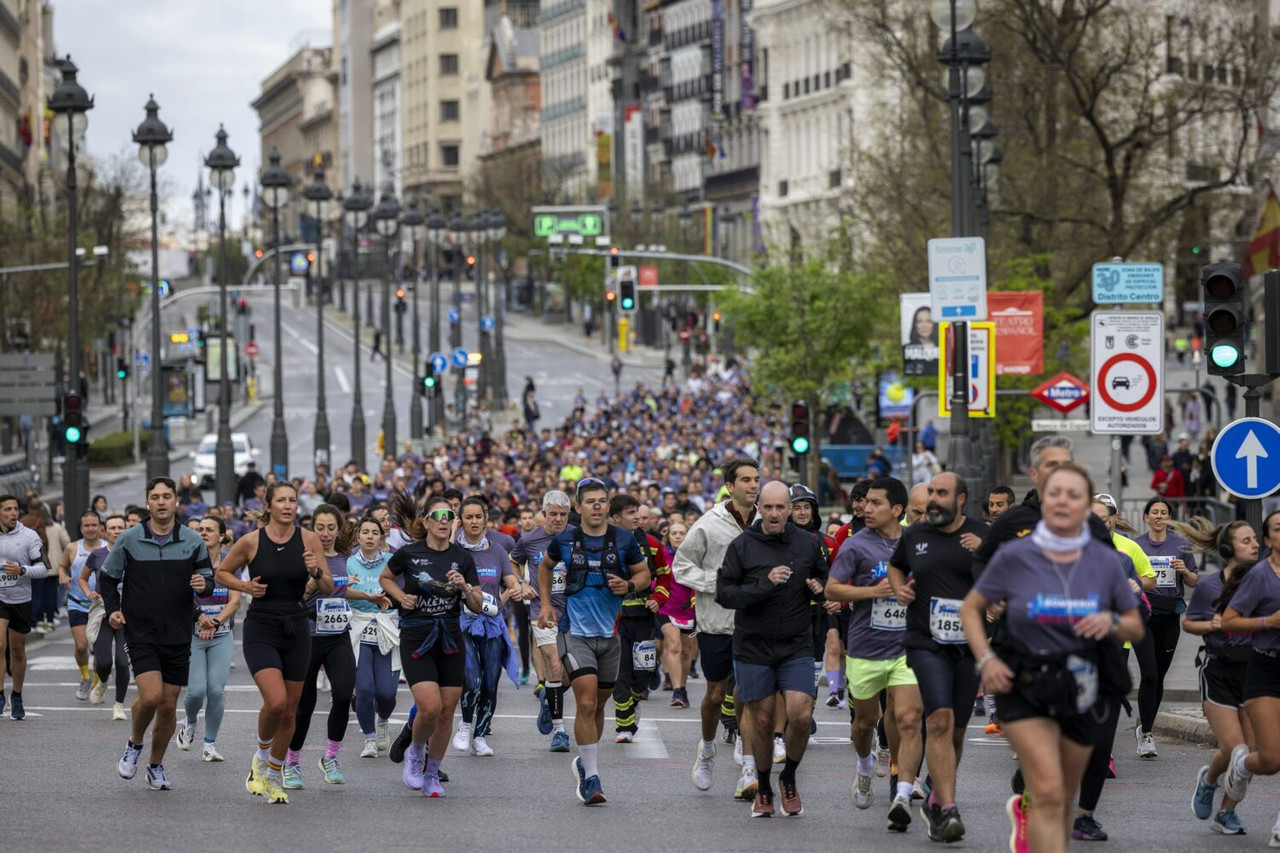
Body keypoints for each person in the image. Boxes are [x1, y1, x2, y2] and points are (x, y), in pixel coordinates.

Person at [961, 462, 1143, 853]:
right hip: (1025, 679)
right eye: (1055, 494)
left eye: (1074, 495)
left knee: (1059, 796)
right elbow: (971, 609)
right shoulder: (1016, 555)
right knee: (1046, 785)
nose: (1064, 502)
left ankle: (1036, 817)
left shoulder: (1104, 561)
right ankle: (1033, 806)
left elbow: (1134, 626)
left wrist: (1110, 619)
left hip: (1085, 680)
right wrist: (986, 660)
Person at [716, 480, 827, 818]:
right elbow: (724, 594)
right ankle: (763, 785)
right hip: (753, 645)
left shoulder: (808, 544)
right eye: (769, 507)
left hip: (796, 644)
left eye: (782, 507)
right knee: (762, 722)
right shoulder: (742, 545)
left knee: (801, 715)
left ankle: (788, 778)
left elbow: (827, 583)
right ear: (759, 509)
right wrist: (764, 584)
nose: (776, 514)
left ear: (791, 510)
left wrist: (820, 589)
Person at [887, 471, 988, 842]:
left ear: (960, 499)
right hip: (925, 641)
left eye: (941, 493)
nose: (933, 499)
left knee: (956, 730)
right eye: (931, 492)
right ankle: (948, 807)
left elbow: (1006, 575)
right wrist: (899, 589)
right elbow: (897, 565)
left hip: (969, 644)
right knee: (940, 719)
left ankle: (934, 801)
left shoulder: (983, 534)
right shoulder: (915, 534)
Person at [215, 482, 332, 804]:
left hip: (296, 625)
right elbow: (222, 573)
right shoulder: (252, 541)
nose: (287, 505)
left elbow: (328, 584)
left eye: (292, 500)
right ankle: (260, 757)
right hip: (262, 627)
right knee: (277, 702)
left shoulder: (308, 540)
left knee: (290, 711)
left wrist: (315, 570)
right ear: (268, 506)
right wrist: (244, 586)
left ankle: (273, 776)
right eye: (280, 500)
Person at [536, 477, 650, 805]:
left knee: (599, 705)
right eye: (591, 501)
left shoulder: (625, 540)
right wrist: (545, 604)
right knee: (585, 702)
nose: (597, 506)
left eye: (602, 501)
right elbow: (545, 568)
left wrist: (629, 586)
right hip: (575, 633)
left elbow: (643, 575)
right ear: (579, 507)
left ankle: (585, 764)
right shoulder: (566, 540)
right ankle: (593, 777)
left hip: (610, 636)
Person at [101, 478, 215, 790]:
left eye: (167, 496)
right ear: (148, 503)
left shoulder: (193, 540)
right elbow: (107, 577)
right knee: (150, 696)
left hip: (178, 631)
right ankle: (134, 744)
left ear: (176, 502)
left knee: (168, 704)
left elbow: (208, 577)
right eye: (155, 497)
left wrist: (204, 586)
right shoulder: (129, 539)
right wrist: (113, 608)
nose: (161, 502)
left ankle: (155, 765)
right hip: (141, 630)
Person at [826, 477, 924, 832]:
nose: (866, 508)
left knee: (908, 718)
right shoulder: (855, 546)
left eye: (875, 503)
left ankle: (901, 791)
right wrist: (873, 591)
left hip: (906, 648)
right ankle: (865, 765)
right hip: (866, 648)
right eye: (865, 502)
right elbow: (832, 588)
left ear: (897, 510)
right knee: (865, 723)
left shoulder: (916, 543)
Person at [382, 493, 483, 799]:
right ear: (425, 522)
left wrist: (465, 587)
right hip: (416, 636)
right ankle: (415, 753)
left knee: (446, 711)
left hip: (450, 637)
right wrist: (401, 598)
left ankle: (431, 773)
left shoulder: (463, 558)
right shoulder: (410, 554)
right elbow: (387, 577)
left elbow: (477, 605)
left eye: (449, 517)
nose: (444, 522)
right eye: (438, 517)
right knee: (429, 707)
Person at [675, 458, 762, 801]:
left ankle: (748, 764)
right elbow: (682, 566)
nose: (753, 485)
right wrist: (718, 583)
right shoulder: (708, 524)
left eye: (756, 479)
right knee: (715, 694)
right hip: (716, 621)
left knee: (748, 694)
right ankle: (708, 750)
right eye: (745, 480)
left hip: (755, 622)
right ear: (730, 485)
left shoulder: (766, 521)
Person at [1182, 517, 1259, 835]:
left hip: (1255, 671)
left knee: (1249, 755)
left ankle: (1226, 813)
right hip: (1218, 668)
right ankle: (1209, 780)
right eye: (1246, 541)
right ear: (1228, 549)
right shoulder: (1209, 585)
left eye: (1256, 539)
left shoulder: (1265, 581)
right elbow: (1189, 623)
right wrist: (1211, 625)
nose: (1255, 544)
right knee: (1234, 748)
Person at [285, 504, 358, 786]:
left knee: (342, 695)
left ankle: (330, 756)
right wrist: (311, 584)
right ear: (311, 529)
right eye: (320, 528)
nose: (326, 534)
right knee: (305, 705)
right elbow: (293, 601)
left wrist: (369, 596)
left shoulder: (344, 558)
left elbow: (342, 591)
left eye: (331, 528)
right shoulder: (301, 559)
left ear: (338, 530)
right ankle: (291, 761)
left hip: (338, 635)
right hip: (307, 636)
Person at [1219, 511, 1280, 846]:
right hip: (1265, 667)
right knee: (1270, 760)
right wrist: (1267, 623)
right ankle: (1241, 765)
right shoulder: (1259, 575)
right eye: (1278, 529)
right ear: (1268, 539)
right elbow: (1228, 621)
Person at [451, 496, 520, 757]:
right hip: (463, 623)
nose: (474, 522)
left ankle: (480, 736)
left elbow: (512, 581)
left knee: (491, 682)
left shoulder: (498, 551)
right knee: (473, 679)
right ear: (461, 521)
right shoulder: (454, 551)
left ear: (486, 518)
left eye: (478, 517)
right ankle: (466, 725)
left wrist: (504, 597)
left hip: (492, 624)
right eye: (468, 517)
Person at [1133, 497, 1199, 758]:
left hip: (1170, 615)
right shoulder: (1136, 545)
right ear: (1146, 517)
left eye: (1164, 513)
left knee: (1158, 676)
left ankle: (1144, 725)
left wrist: (1184, 571)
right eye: (1154, 512)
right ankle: (1147, 734)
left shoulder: (1181, 545)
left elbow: (1194, 582)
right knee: (1148, 673)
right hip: (1142, 615)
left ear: (1169, 518)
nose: (1159, 516)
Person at [508, 490, 573, 751]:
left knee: (571, 676)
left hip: (573, 612)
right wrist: (522, 583)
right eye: (553, 514)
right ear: (544, 514)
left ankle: (549, 697)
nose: (558, 519)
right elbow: (512, 562)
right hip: (541, 611)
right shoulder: (529, 539)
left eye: (563, 515)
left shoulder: (576, 537)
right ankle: (560, 731)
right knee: (554, 667)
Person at [177, 515, 241, 762]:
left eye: (209, 529)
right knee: (195, 692)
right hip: (192, 634)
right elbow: (179, 599)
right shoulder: (187, 563)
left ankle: (210, 745)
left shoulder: (229, 565)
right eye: (200, 529)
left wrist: (214, 622)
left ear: (222, 535)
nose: (203, 533)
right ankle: (190, 721)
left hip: (220, 634)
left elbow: (234, 602)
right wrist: (199, 617)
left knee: (215, 690)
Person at [608, 493, 668, 743]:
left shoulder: (653, 544)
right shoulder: (605, 544)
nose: (637, 518)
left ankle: (633, 702)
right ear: (616, 518)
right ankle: (625, 727)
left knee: (643, 672)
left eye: (638, 513)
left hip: (644, 619)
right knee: (620, 673)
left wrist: (658, 598)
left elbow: (666, 577)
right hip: (616, 621)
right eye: (631, 513)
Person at [346, 515, 399, 760]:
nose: (369, 537)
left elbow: (402, 591)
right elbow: (340, 593)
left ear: (381, 537)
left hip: (387, 627)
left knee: (387, 694)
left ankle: (382, 721)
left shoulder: (392, 561)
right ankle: (368, 738)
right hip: (359, 628)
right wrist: (351, 589)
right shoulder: (349, 563)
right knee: (364, 690)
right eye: (365, 532)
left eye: (374, 533)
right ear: (358, 536)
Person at [0, 493, 48, 719]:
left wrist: (22, 570)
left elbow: (43, 569)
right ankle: (0, 695)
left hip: (21, 598)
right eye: (7, 509)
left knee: (18, 651)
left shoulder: (30, 536)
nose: (13, 513)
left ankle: (16, 694)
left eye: (15, 509)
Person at [80, 513, 129, 716]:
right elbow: (82, 578)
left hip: (128, 611)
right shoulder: (98, 554)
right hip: (102, 610)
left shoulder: (134, 553)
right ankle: (102, 681)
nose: (116, 531)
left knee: (122, 661)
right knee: (105, 662)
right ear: (104, 531)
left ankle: (118, 705)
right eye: (112, 528)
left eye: (120, 528)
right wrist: (88, 592)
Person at [57, 509, 103, 701]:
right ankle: (85, 678)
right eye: (87, 526)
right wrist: (62, 576)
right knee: (82, 645)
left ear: (100, 527)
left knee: (100, 648)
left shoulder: (108, 548)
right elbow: (61, 566)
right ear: (81, 528)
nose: (91, 529)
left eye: (94, 525)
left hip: (101, 605)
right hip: (77, 603)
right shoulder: (72, 548)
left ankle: (97, 683)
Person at [655, 519, 697, 707]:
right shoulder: (662, 555)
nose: (678, 536)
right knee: (673, 645)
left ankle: (683, 687)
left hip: (689, 608)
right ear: (668, 536)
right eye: (674, 533)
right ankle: (677, 691)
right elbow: (653, 578)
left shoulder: (696, 555)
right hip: (666, 606)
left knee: (687, 652)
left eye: (682, 533)